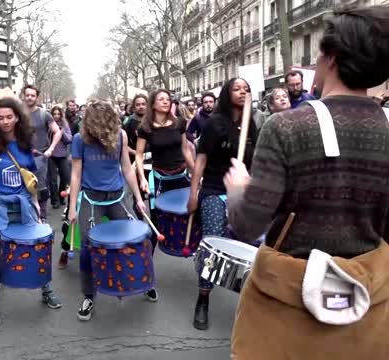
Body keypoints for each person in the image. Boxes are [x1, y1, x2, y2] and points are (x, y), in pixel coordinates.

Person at [226, 6, 389, 359]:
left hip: (285, 316)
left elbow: (246, 223)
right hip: (368, 315)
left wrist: (238, 189)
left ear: (330, 58)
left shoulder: (285, 127)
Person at [0, 97, 62, 336]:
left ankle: (46, 292)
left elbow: (29, 175)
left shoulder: (25, 142)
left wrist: (35, 204)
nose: (5, 121)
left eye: (9, 116)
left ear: (17, 117)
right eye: (0, 117)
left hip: (23, 205)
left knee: (38, 247)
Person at [187, 78, 259, 331]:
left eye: (246, 89)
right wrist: (194, 193)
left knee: (250, 247)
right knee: (213, 245)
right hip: (215, 190)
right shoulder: (214, 124)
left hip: (242, 192)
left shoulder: (252, 123)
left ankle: (250, 302)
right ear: (228, 94)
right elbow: (201, 159)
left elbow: (257, 159)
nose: (242, 92)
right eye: (237, 89)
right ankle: (202, 300)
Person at [67, 100, 147, 321]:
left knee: (133, 240)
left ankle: (141, 281)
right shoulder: (79, 139)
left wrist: (139, 199)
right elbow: (75, 174)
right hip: (90, 197)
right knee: (87, 247)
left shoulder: (120, 135)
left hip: (116, 196)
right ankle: (89, 296)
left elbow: (126, 168)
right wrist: (72, 208)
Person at [134, 89, 195, 302]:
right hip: (159, 179)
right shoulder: (145, 128)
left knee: (194, 215)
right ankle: (145, 276)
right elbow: (139, 155)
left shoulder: (179, 123)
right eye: (161, 99)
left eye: (168, 99)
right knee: (154, 228)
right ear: (153, 104)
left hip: (180, 177)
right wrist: (141, 177)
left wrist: (195, 173)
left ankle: (198, 257)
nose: (165, 102)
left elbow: (186, 149)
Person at [22, 85, 62, 222]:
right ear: (23, 96)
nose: (29, 98)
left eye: (32, 95)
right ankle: (27, 216)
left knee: (40, 188)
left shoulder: (44, 114)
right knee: (23, 188)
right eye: (27, 95)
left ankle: (41, 217)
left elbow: (58, 131)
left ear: (37, 97)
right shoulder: (17, 113)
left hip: (40, 157)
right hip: (20, 157)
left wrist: (51, 149)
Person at [48, 106, 72, 211]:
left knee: (66, 177)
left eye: (58, 114)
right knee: (52, 179)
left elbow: (69, 139)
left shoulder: (65, 125)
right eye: (54, 114)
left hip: (62, 155)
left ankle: (61, 196)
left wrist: (61, 132)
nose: (56, 116)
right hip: (51, 155)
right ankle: (55, 200)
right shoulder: (48, 124)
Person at [122, 94, 148, 165]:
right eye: (138, 104)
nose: (141, 106)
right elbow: (122, 143)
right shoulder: (128, 122)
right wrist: (135, 153)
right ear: (133, 107)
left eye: (143, 104)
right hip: (134, 161)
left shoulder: (154, 120)